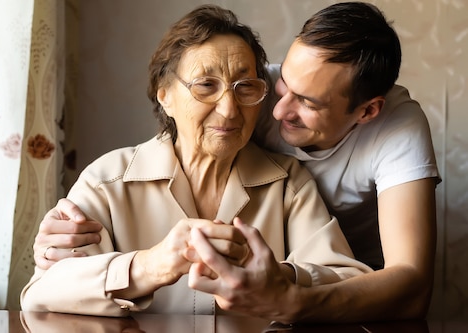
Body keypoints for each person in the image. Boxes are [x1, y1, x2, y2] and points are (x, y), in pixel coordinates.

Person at [31, 2, 441, 323]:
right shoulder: (107, 180)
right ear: (163, 94)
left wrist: (282, 279)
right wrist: (148, 265)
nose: (230, 109)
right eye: (206, 86)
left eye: (246, 88)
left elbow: (360, 278)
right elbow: (40, 292)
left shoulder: (290, 183)